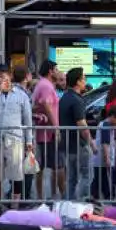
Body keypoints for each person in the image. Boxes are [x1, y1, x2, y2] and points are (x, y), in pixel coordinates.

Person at [0, 67, 33, 206]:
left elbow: (27, 119)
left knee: (16, 174)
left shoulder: (21, 95)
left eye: (3, 76)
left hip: (15, 139)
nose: (0, 79)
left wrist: (29, 141)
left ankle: (14, 206)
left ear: (10, 76)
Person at [59, 67, 96, 200]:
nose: (85, 81)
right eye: (84, 78)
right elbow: (82, 125)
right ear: (78, 81)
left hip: (68, 145)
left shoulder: (64, 98)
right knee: (87, 175)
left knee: (72, 178)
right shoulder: (77, 100)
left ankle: (69, 203)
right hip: (79, 145)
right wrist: (92, 144)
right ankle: (83, 203)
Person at [32, 60, 64, 200]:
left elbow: (39, 105)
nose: (58, 72)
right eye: (56, 69)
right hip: (48, 134)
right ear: (51, 71)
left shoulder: (44, 84)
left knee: (46, 166)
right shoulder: (46, 85)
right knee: (59, 165)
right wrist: (55, 126)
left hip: (45, 133)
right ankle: (63, 197)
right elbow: (45, 104)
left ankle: (45, 197)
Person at [91, 104, 116, 201]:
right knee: (103, 181)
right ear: (113, 116)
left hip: (101, 160)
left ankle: (96, 196)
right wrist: (107, 158)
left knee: (99, 180)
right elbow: (105, 143)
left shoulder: (107, 124)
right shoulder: (105, 125)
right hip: (102, 160)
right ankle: (106, 198)